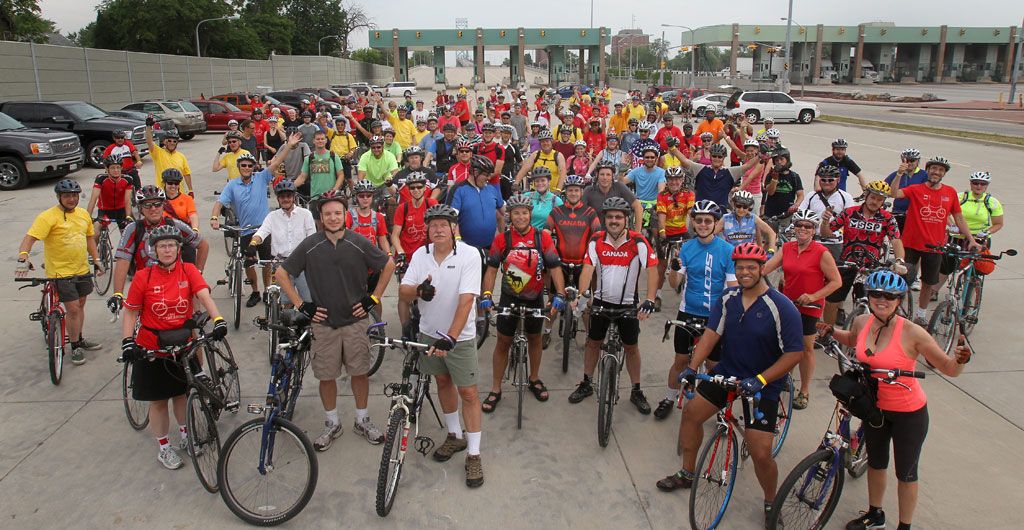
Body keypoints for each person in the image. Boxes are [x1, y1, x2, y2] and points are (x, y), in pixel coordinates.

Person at [658, 242, 803, 526]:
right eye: (740, 267)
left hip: (763, 383)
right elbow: (712, 333)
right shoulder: (728, 297)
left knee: (761, 452)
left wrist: (761, 380)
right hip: (729, 372)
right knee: (690, 414)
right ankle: (688, 473)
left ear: (763, 269)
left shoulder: (782, 307)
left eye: (751, 267)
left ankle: (772, 500)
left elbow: (795, 353)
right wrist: (690, 367)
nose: (745, 272)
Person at [817, 270, 972, 530]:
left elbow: (948, 368)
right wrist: (832, 331)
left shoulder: (913, 333)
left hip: (908, 413)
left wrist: (960, 359)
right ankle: (875, 514)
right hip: (875, 409)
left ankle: (904, 526)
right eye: (877, 294)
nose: (882, 299)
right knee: (876, 464)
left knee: (906, 474)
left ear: (899, 300)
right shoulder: (863, 321)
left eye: (890, 296)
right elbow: (853, 340)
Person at [275, 190, 397, 451]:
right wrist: (301, 304)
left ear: (345, 215)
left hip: (355, 322)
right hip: (324, 324)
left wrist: (373, 299)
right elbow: (281, 273)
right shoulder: (310, 245)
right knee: (326, 376)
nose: (333, 217)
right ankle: (332, 422)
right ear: (320, 217)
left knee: (360, 372)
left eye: (337, 213)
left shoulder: (357, 241)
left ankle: (362, 419)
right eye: (327, 213)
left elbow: (388, 265)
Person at [118, 225, 227, 470]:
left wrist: (218, 320)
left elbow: (203, 295)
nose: (167, 250)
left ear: (179, 249)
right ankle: (164, 447)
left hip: (183, 346)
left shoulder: (188, 270)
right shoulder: (143, 276)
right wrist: (127, 342)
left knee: (181, 394)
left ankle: (186, 435)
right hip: (152, 348)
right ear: (154, 250)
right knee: (158, 401)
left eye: (172, 245)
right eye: (162, 246)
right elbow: (131, 312)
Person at [399, 204, 486, 487]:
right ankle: (454, 436)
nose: (437, 229)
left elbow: (466, 301)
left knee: (469, 393)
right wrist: (418, 291)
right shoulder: (419, 255)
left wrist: (450, 336)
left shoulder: (470, 255)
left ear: (453, 228)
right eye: (433, 224)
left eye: (443, 224)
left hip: (458, 338)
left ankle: (474, 454)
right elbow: (403, 291)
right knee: (443, 383)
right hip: (428, 333)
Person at [567, 197, 659, 413]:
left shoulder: (638, 241)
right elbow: (588, 267)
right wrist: (582, 295)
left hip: (628, 305)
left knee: (631, 348)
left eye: (619, 217)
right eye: (610, 217)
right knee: (593, 343)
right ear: (604, 219)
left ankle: (636, 390)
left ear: (626, 219)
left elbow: (652, 269)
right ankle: (587, 382)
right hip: (600, 303)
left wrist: (651, 299)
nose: (614, 220)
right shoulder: (596, 240)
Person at [479, 193, 565, 412]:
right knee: (503, 342)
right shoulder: (503, 239)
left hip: (534, 298)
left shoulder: (542, 238)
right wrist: (487, 294)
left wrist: (560, 294)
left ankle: (534, 378)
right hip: (509, 297)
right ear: (510, 216)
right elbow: (491, 269)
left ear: (530, 214)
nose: (520, 217)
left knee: (535, 339)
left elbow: (554, 267)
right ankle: (496, 388)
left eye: (524, 213)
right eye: (516, 213)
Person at [653, 200, 736, 419]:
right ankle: (669, 397)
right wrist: (673, 268)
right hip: (688, 311)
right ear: (693, 222)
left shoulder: (727, 251)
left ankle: (718, 406)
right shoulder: (687, 248)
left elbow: (732, 288)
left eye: (708, 221)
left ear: (715, 223)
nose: (703, 225)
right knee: (680, 361)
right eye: (699, 220)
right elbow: (674, 283)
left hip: (715, 316)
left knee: (713, 365)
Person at [16, 179, 105, 365]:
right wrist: (23, 258)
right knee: (72, 309)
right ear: (59, 197)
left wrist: (96, 260)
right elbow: (30, 238)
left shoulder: (83, 215)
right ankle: (74, 347)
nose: (72, 199)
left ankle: (79, 337)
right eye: (67, 196)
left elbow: (89, 239)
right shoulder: (48, 217)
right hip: (60, 272)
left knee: (81, 304)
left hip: (81, 269)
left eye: (74, 195)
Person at [762, 209, 842, 409]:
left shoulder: (821, 252)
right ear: (794, 227)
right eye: (799, 225)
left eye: (808, 226)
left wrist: (813, 296)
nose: (803, 229)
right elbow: (766, 268)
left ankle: (804, 390)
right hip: (788, 304)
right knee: (781, 343)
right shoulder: (787, 248)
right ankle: (781, 376)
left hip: (811, 306)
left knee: (806, 348)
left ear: (814, 230)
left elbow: (836, 282)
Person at [890, 156, 980, 326]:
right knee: (902, 281)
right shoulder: (916, 189)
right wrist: (899, 174)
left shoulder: (950, 192)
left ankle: (920, 314)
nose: (936, 172)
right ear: (928, 170)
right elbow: (894, 193)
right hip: (910, 244)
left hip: (935, 247)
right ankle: (895, 313)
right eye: (933, 169)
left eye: (940, 170)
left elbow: (958, 218)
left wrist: (971, 240)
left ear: (944, 173)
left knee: (927, 283)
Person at [212, 135, 301, 307]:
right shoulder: (232, 185)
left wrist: (288, 146)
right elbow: (219, 203)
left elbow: (275, 163)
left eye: (249, 165)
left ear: (254, 167)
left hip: (265, 228)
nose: (246, 168)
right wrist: (215, 218)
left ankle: (267, 290)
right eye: (243, 165)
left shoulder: (261, 178)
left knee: (267, 261)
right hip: (245, 230)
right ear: (239, 167)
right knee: (249, 263)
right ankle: (255, 292)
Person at [107, 185, 207, 317]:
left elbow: (203, 245)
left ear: (163, 205)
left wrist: (197, 273)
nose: (153, 209)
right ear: (141, 208)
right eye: (147, 205)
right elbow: (123, 261)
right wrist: (118, 294)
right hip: (146, 286)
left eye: (157, 204)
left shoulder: (174, 225)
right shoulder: (133, 229)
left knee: (187, 327)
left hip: (175, 285)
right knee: (140, 329)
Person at [821, 180, 907, 327]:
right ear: (866, 195)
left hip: (870, 267)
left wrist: (899, 260)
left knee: (869, 304)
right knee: (832, 300)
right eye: (873, 197)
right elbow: (826, 233)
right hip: (847, 263)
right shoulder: (849, 212)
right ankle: (826, 333)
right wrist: (824, 222)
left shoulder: (887, 218)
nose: (875, 202)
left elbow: (896, 240)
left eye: (879, 199)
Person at [251, 179, 316, 303]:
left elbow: (311, 239)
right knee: (284, 302)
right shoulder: (272, 216)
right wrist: (253, 244)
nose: (285, 199)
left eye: (288, 196)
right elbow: (261, 232)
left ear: (294, 197)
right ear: (278, 199)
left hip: (301, 264)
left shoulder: (305, 214)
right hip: (281, 265)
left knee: (308, 300)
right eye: (282, 197)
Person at [547, 175, 602, 289]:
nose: (573, 193)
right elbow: (546, 233)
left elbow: (599, 235)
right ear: (565, 192)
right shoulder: (556, 212)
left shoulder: (590, 212)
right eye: (570, 190)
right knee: (555, 299)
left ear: (582, 192)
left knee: (580, 300)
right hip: (560, 264)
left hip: (583, 265)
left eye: (576, 190)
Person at [652, 167, 695, 311]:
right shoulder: (662, 195)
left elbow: (690, 214)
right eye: (671, 179)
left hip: (683, 232)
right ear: (667, 181)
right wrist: (663, 233)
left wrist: (692, 231)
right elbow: (662, 216)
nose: (674, 182)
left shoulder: (689, 194)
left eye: (677, 179)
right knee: (662, 265)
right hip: (667, 232)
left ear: (682, 180)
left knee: (687, 264)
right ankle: (657, 295)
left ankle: (688, 294)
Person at [800, 164, 856, 262]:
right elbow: (800, 214)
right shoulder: (811, 196)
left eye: (830, 180)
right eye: (823, 180)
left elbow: (851, 221)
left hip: (836, 243)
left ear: (838, 180)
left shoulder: (846, 197)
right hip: (814, 241)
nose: (826, 183)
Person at [451, 156, 506, 251]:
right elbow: (451, 218)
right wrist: (457, 239)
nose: (489, 178)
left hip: (490, 246)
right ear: (475, 172)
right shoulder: (458, 189)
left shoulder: (491, 189)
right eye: (486, 174)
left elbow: (503, 212)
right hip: (466, 248)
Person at [680, 144, 758, 209]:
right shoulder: (701, 169)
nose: (717, 159)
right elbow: (684, 160)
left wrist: (760, 155)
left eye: (720, 157)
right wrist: (672, 148)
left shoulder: (730, 172)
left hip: (721, 213)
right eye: (714, 156)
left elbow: (748, 165)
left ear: (724, 158)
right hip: (700, 212)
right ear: (710, 156)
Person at [582, 161, 644, 232]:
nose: (605, 178)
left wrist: (637, 233)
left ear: (612, 176)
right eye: (602, 174)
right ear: (597, 175)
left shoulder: (619, 187)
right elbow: (579, 211)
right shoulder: (589, 190)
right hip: (595, 233)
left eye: (608, 174)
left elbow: (638, 207)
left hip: (617, 234)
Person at [883, 148, 928, 233]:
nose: (909, 163)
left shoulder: (924, 175)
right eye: (906, 160)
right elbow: (883, 187)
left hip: (915, 213)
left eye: (912, 160)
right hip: (898, 211)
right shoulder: (897, 174)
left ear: (918, 161)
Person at [295, 130, 345, 202]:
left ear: (326, 141)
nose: (320, 141)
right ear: (313, 141)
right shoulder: (309, 158)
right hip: (315, 198)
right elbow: (302, 177)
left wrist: (334, 190)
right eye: (318, 139)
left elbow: (341, 175)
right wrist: (291, 187)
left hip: (331, 197)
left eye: (322, 139)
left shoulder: (333, 156)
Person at [762, 147, 804, 232]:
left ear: (787, 160)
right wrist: (774, 179)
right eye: (776, 160)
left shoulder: (794, 176)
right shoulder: (770, 175)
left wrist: (796, 205)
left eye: (781, 159)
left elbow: (800, 194)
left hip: (786, 214)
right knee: (768, 240)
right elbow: (770, 192)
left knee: (785, 240)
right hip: (770, 213)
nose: (779, 162)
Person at [86, 156, 134, 231]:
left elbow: (127, 200)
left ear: (121, 168)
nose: (116, 170)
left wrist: (128, 216)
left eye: (118, 167)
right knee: (95, 232)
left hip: (121, 210)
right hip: (104, 210)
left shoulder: (128, 179)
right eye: (112, 168)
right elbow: (93, 199)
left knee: (128, 233)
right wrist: (87, 217)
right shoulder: (101, 179)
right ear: (107, 169)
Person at [146, 121, 192, 192]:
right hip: (163, 193)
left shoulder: (181, 156)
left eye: (174, 141)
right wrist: (148, 127)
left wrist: (190, 190)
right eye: (169, 141)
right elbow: (149, 141)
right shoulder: (158, 152)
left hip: (179, 192)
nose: (172, 143)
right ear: (164, 142)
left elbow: (186, 174)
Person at [523, 167, 563, 231]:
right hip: (526, 235)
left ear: (549, 181)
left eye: (543, 180)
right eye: (537, 181)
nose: (540, 183)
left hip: (545, 236)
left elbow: (561, 223)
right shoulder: (526, 197)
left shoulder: (556, 201)